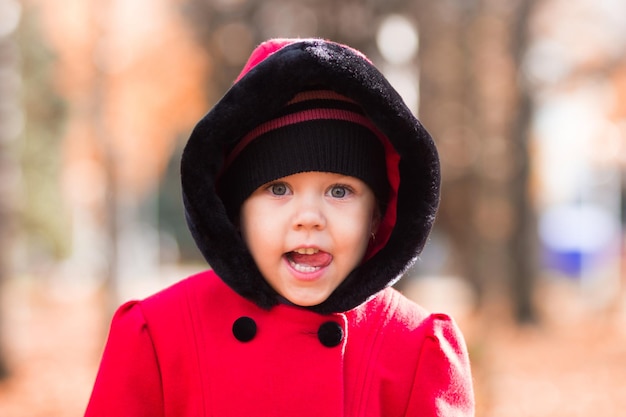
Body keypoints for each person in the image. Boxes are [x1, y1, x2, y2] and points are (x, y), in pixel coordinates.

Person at [84, 38, 475, 417]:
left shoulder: (415, 350)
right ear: (235, 210)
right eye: (278, 188)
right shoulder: (159, 338)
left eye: (340, 191)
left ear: (377, 213)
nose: (309, 217)